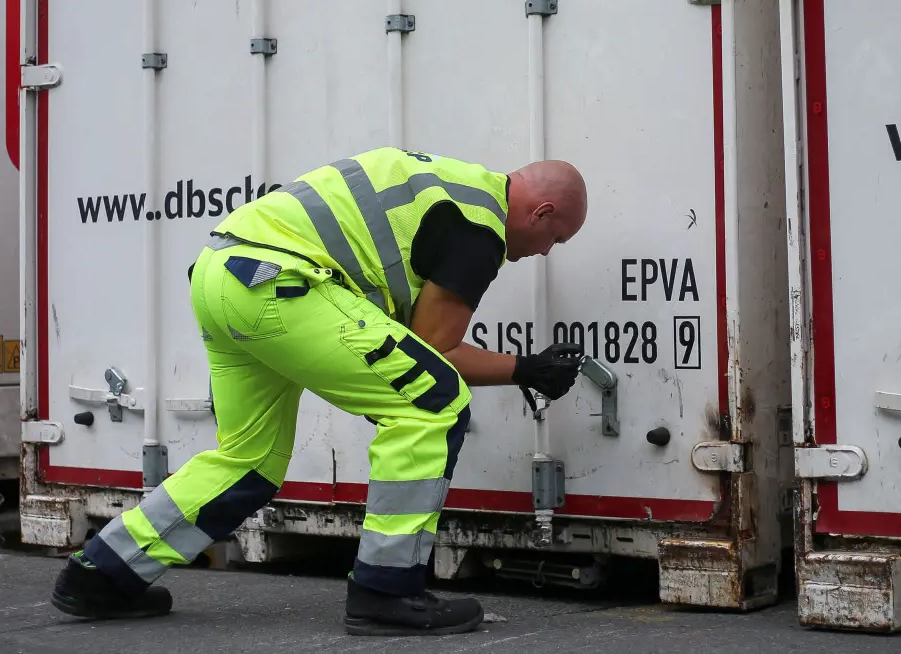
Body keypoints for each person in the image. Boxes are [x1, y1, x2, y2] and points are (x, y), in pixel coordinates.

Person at [49, 147, 589, 636]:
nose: (546, 252)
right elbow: (435, 351)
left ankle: (101, 574)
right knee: (433, 403)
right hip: (281, 283)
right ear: (540, 213)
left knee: (249, 460)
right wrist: (527, 368)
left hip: (222, 273)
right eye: (555, 239)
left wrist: (522, 369)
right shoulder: (479, 227)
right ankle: (387, 589)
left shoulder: (452, 185)